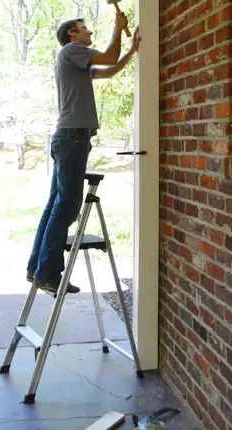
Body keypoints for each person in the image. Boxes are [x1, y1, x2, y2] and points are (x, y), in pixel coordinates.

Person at [26, 14, 141, 293]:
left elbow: (110, 69)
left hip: (70, 139)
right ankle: (48, 274)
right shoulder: (71, 51)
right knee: (66, 206)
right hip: (72, 139)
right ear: (72, 34)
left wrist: (132, 50)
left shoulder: (75, 62)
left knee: (56, 203)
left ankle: (37, 269)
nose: (90, 32)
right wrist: (117, 29)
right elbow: (109, 55)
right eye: (84, 29)